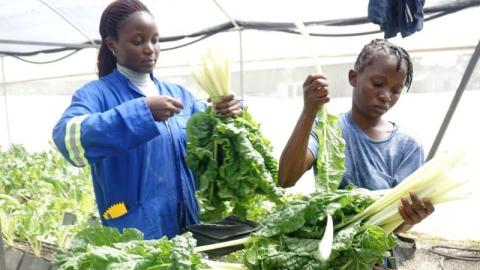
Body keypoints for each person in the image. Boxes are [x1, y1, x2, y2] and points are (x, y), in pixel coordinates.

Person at [52, 0, 241, 239]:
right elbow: (67, 140)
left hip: (188, 231)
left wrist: (226, 111)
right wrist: (141, 113)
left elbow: (209, 142)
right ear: (112, 45)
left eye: (155, 39)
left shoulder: (179, 94)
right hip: (136, 240)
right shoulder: (96, 94)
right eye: (138, 41)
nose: (150, 48)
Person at [278, 39, 434, 234]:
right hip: (322, 244)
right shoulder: (328, 128)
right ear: (354, 78)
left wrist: (412, 217)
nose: (386, 96)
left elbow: (399, 225)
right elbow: (286, 178)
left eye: (396, 91)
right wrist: (309, 112)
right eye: (378, 84)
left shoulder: (407, 146)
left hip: (371, 255)